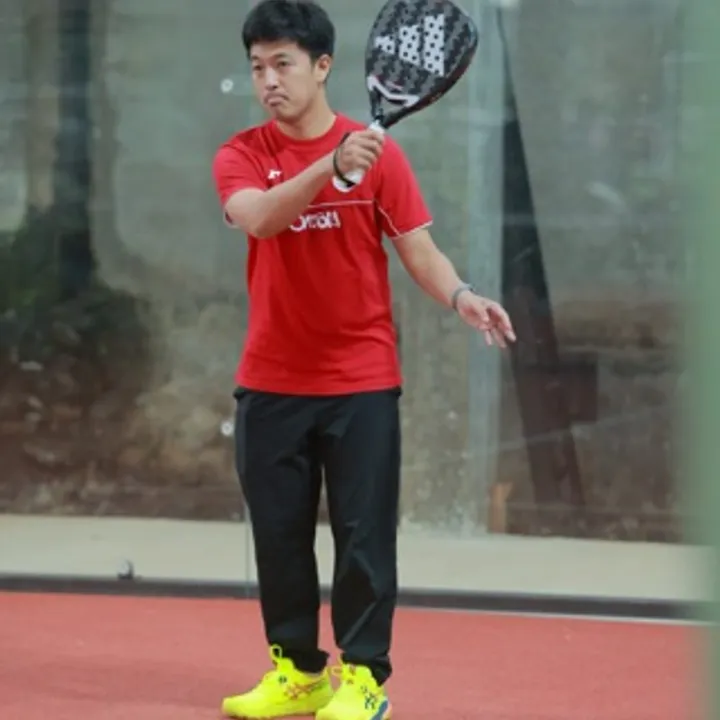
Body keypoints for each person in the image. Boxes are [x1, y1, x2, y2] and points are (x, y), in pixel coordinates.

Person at [211, 1, 516, 719]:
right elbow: (260, 218)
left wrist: (462, 295)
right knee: (279, 539)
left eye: (283, 64)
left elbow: (419, 250)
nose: (269, 81)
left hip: (361, 382)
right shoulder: (241, 154)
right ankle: (297, 672)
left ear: (322, 67)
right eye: (257, 67)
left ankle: (364, 678)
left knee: (364, 539)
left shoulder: (381, 159)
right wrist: (329, 166)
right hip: (270, 384)